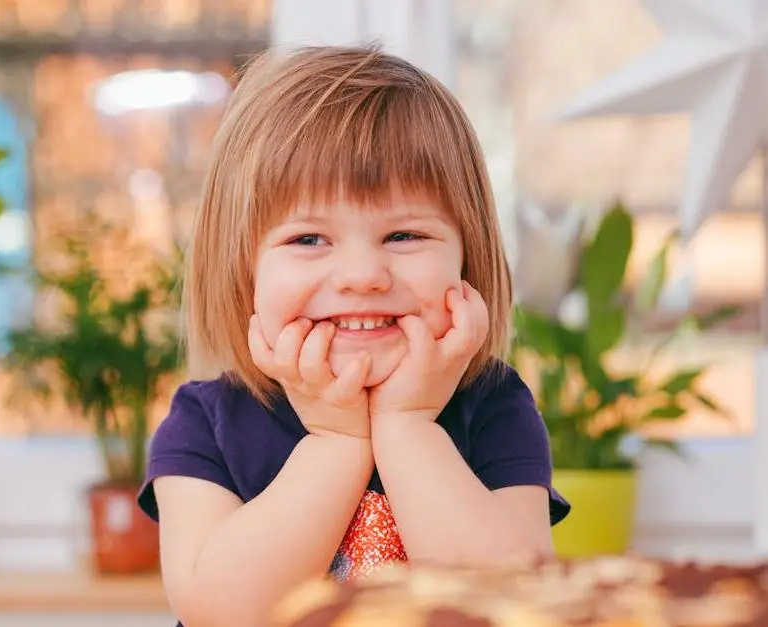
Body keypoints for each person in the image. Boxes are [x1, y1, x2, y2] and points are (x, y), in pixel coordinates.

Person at [136, 44, 571, 627]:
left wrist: (409, 424)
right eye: (309, 240)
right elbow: (223, 611)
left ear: (468, 261)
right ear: (244, 271)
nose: (363, 277)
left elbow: (512, 603)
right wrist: (336, 441)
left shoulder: (494, 407)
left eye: (404, 235)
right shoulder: (205, 423)